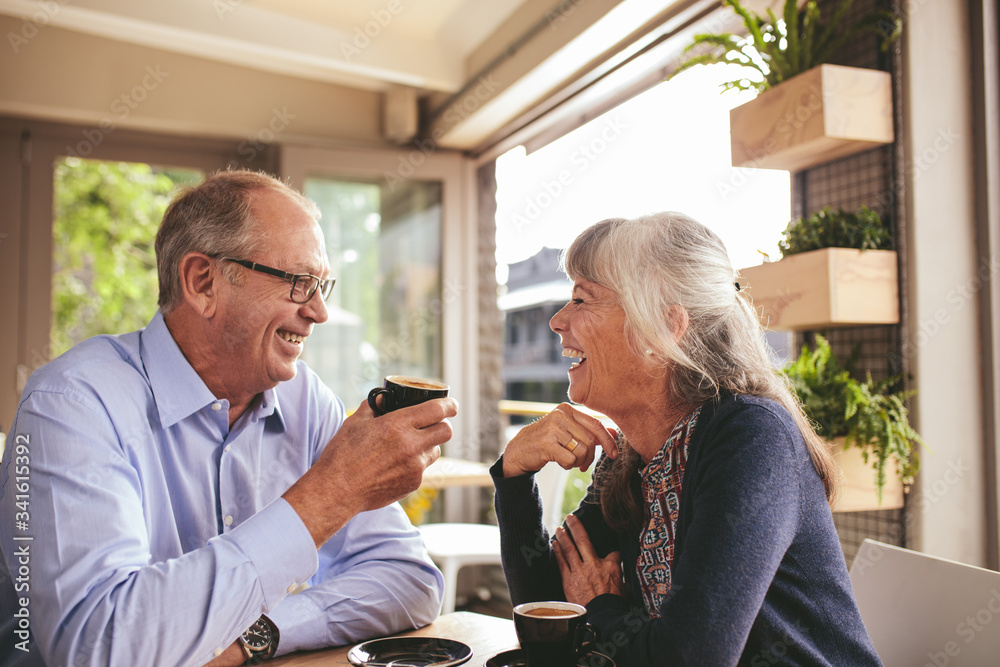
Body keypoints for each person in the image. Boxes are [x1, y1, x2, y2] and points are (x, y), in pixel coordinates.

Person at [0, 170, 457, 666]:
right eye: (300, 283)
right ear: (202, 282)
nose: (320, 312)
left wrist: (256, 636)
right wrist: (335, 491)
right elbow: (101, 646)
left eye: (322, 284)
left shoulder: (307, 399)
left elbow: (408, 580)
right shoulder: (72, 404)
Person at [492, 213, 882, 665]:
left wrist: (602, 607)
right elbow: (552, 619)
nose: (558, 320)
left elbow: (691, 657)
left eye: (582, 299)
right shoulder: (634, 457)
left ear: (663, 327)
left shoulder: (751, 438)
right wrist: (514, 476)